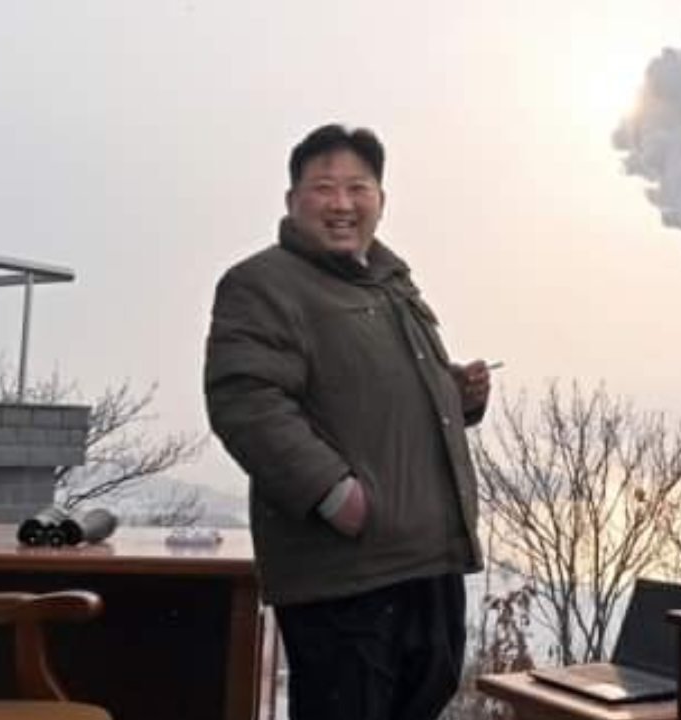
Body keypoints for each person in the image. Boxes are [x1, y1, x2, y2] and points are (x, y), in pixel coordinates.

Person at [204, 123, 489, 720]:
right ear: (293, 200)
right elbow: (246, 400)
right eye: (324, 188)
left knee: (423, 696)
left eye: (358, 188)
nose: (342, 203)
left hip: (426, 562)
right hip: (345, 573)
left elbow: (370, 390)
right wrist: (335, 496)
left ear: (381, 199)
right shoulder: (264, 284)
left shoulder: (391, 284)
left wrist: (455, 393)